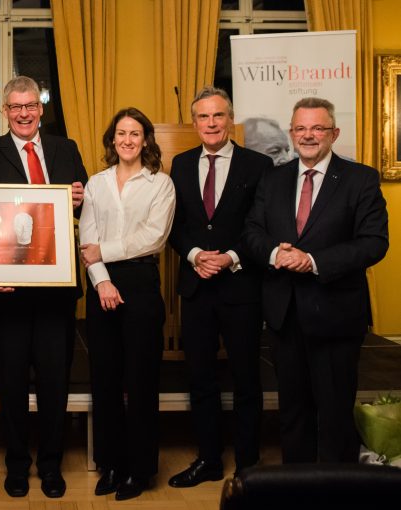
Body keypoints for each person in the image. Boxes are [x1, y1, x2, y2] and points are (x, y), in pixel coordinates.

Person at [243, 97, 389, 463]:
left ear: (334, 133)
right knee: (293, 411)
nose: (308, 135)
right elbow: (252, 232)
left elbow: (374, 243)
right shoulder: (273, 178)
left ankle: (338, 490)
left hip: (336, 315)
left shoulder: (361, 179)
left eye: (317, 128)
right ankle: (299, 486)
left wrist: (313, 260)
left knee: (335, 411)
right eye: (301, 128)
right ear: (292, 133)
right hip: (284, 314)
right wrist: (276, 255)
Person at [0, 76, 87, 499]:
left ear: (41, 108)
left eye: (30, 105)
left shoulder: (65, 150)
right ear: (5, 111)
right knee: (11, 383)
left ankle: (51, 464)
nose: (23, 113)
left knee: (56, 382)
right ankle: (16, 463)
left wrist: (79, 196)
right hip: (8, 292)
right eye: (15, 107)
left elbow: (86, 206)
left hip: (55, 290)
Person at [167, 87, 272, 488]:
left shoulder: (259, 165)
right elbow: (173, 224)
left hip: (241, 286)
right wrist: (195, 254)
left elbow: (262, 224)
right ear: (194, 123)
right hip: (196, 286)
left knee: (247, 379)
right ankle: (209, 460)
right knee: (200, 378)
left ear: (230, 119)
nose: (211, 124)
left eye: (218, 116)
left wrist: (230, 256)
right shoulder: (179, 164)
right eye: (203, 117)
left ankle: (249, 466)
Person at [78, 108, 175, 501]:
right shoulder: (96, 183)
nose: (128, 140)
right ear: (112, 139)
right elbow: (87, 238)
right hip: (101, 284)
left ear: (146, 140)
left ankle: (139, 469)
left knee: (140, 381)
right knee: (105, 380)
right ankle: (112, 464)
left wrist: (106, 251)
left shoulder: (161, 184)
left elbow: (154, 238)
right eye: (121, 133)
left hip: (141, 283)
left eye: (136, 133)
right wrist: (102, 281)